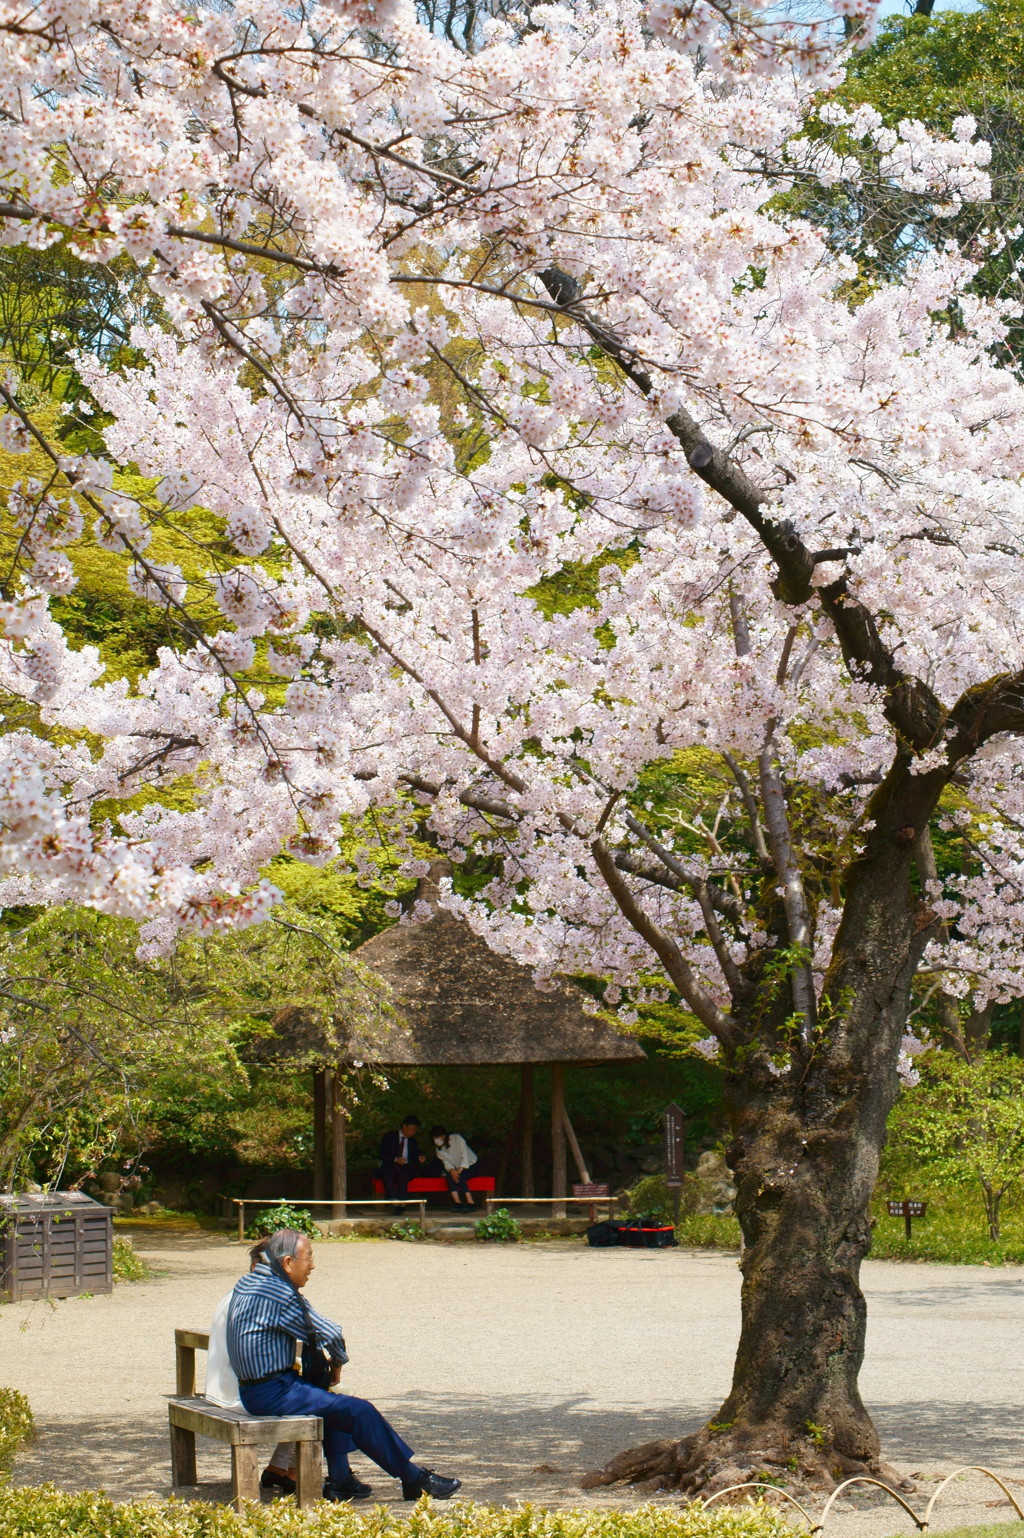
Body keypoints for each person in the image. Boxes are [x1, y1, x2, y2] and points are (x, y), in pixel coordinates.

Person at [227, 1227, 461, 1503]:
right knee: (359, 1410)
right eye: (309, 1258)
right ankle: (414, 1479)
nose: (312, 1266)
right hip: (273, 1392)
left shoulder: (249, 1282)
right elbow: (331, 1333)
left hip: (255, 1389)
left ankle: (340, 1480)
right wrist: (337, 1363)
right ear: (288, 1263)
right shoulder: (280, 1294)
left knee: (334, 1405)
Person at [206, 1237, 297, 1493]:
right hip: (239, 1393)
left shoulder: (235, 1295)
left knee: (305, 1389)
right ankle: (297, 1471)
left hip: (219, 1386)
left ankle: (282, 1468)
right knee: (323, 1395)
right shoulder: (262, 1298)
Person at [378, 1115, 425, 1202]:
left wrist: (419, 1159)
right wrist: (396, 1159)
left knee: (403, 1178)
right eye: (411, 1129)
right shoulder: (390, 1136)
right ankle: (393, 1201)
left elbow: (415, 1156)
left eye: (415, 1130)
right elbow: (382, 1153)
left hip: (405, 1167)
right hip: (390, 1164)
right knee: (389, 1176)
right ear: (404, 1126)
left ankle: (402, 1202)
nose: (413, 1132)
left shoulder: (413, 1142)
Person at [429, 1126, 478, 1207]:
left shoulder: (457, 1138)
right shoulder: (439, 1150)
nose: (435, 1140)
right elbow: (446, 1163)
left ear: (443, 1136)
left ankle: (470, 1202)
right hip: (456, 1168)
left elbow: (464, 1155)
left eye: (437, 1137)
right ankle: (457, 1202)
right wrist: (452, 1171)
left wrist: (460, 1170)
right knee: (449, 1178)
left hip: (471, 1164)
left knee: (460, 1177)